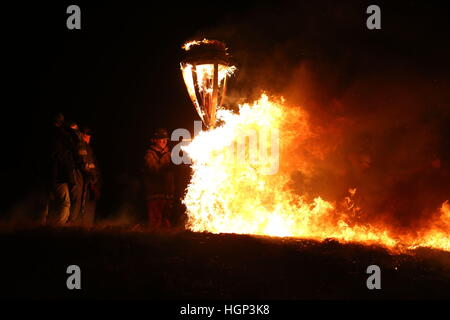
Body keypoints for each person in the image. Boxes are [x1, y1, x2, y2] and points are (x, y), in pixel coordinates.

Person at [45, 113, 76, 226]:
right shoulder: (61, 135)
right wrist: (72, 130)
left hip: (47, 175)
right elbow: (73, 144)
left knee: (47, 202)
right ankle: (58, 227)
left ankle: (41, 226)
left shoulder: (45, 134)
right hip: (58, 175)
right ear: (61, 122)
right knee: (64, 203)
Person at [143, 128, 175, 230]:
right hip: (155, 191)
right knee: (155, 218)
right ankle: (154, 238)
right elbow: (152, 168)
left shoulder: (170, 154)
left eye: (165, 139)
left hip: (167, 191)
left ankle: (166, 239)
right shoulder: (150, 154)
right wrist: (166, 167)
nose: (164, 141)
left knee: (166, 218)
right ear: (155, 140)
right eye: (161, 139)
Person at [75, 126, 101, 227]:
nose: (87, 136)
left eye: (88, 135)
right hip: (85, 180)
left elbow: (92, 165)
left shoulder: (88, 148)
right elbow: (85, 164)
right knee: (82, 204)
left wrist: (95, 179)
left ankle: (86, 227)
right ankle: (81, 226)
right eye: (86, 134)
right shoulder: (82, 146)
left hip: (90, 181)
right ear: (83, 135)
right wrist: (92, 177)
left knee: (88, 205)